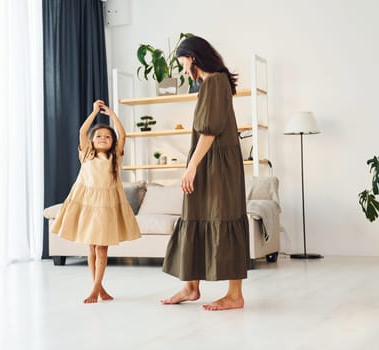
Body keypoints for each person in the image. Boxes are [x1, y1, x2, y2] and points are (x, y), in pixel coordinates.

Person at [161, 36, 250, 311]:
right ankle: (191, 286)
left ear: (194, 58)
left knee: (224, 217)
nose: (185, 70)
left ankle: (234, 295)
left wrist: (191, 167)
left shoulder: (214, 82)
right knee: (196, 216)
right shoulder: (216, 82)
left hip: (216, 166)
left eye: (184, 64)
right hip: (211, 162)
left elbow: (209, 131)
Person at [50, 100, 141, 304]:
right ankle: (98, 288)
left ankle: (95, 290)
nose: (103, 138)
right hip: (88, 204)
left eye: (107, 137)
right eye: (99, 136)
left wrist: (111, 114)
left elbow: (123, 135)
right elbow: (83, 132)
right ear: (92, 141)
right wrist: (93, 113)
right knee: (91, 247)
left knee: (101, 248)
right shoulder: (87, 155)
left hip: (106, 206)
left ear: (112, 142)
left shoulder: (115, 157)